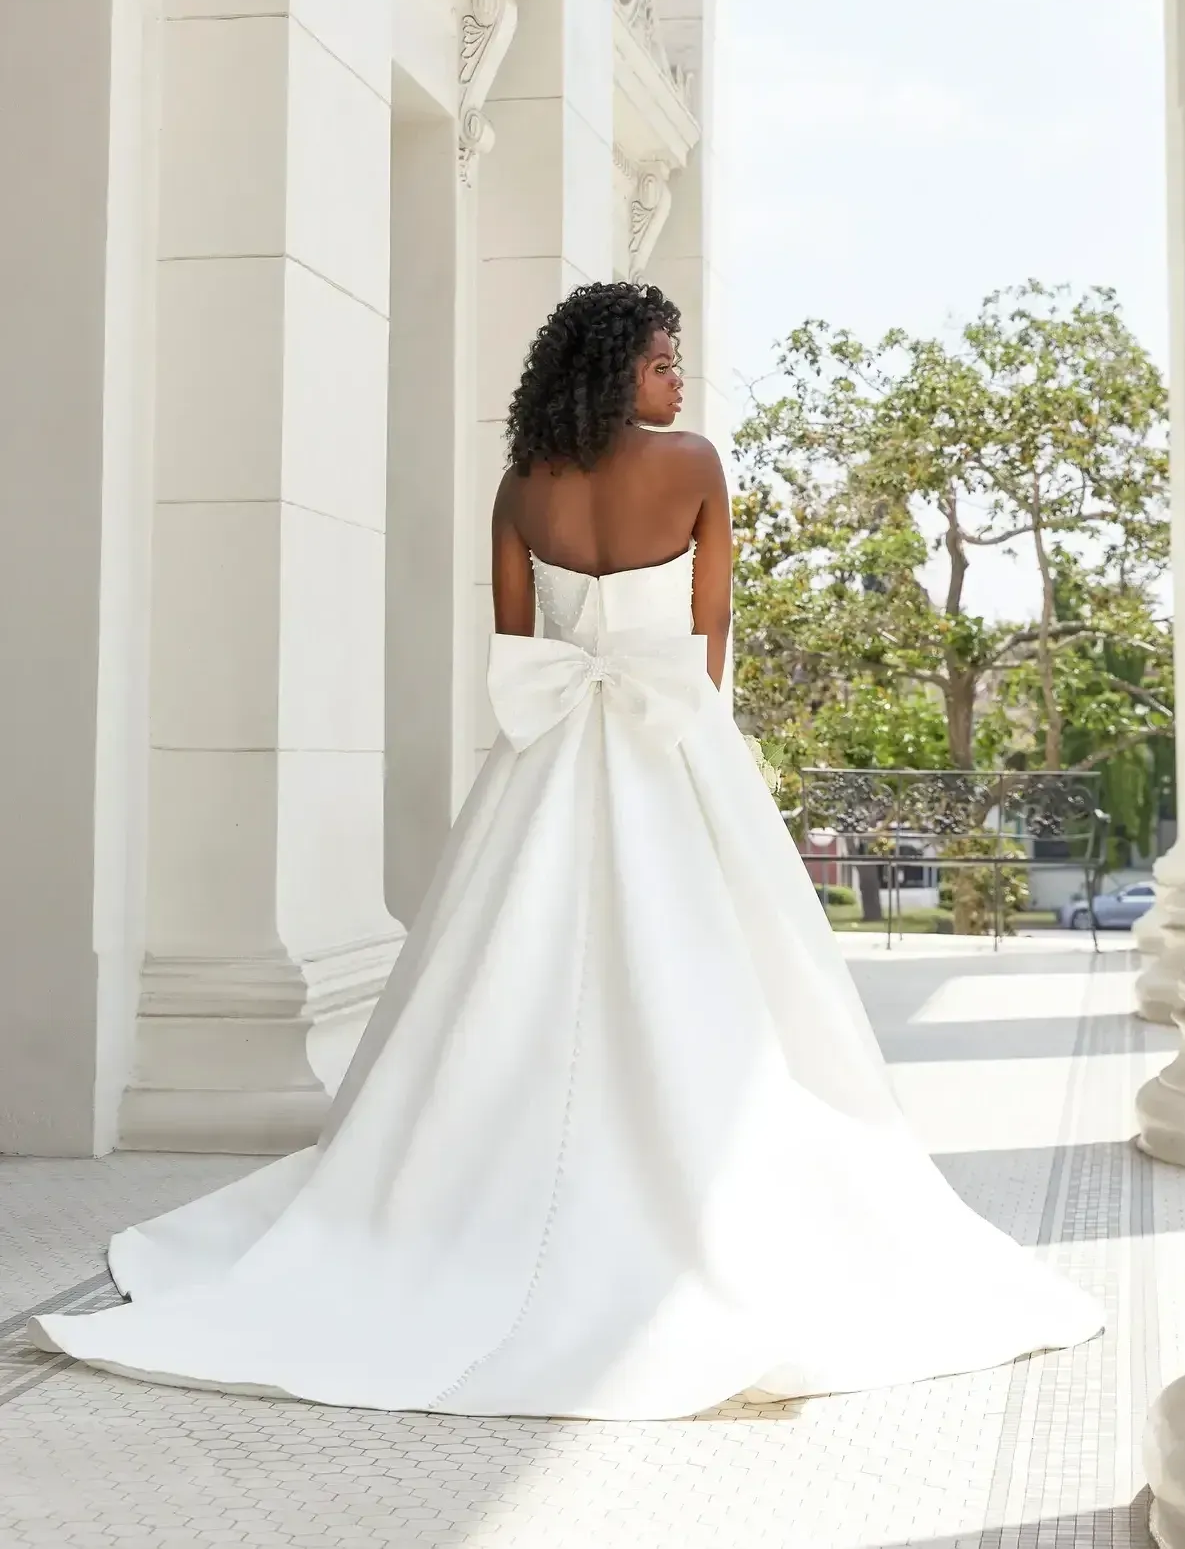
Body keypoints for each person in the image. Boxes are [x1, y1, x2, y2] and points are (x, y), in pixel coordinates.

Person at [30, 282, 1101, 1417]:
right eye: (661, 359)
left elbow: (513, 637)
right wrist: (694, 723)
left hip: (544, 755)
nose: (678, 378)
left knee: (501, 971)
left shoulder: (521, 484)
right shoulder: (690, 464)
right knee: (719, 973)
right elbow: (710, 622)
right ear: (618, 371)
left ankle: (462, 1192)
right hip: (666, 732)